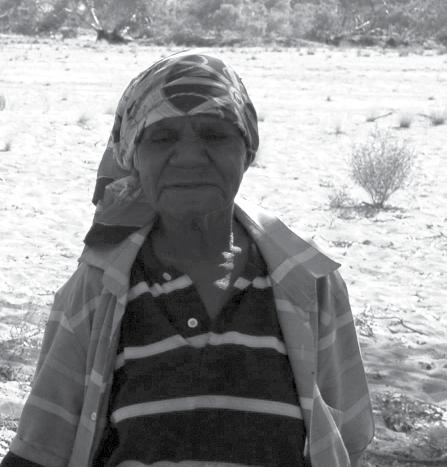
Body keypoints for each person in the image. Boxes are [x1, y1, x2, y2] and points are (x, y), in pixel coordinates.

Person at [1, 51, 374, 467]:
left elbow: (344, 443)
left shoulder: (308, 281)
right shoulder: (98, 288)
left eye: (215, 135)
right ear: (133, 156)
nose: (191, 156)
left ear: (247, 150)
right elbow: (40, 452)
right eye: (162, 138)